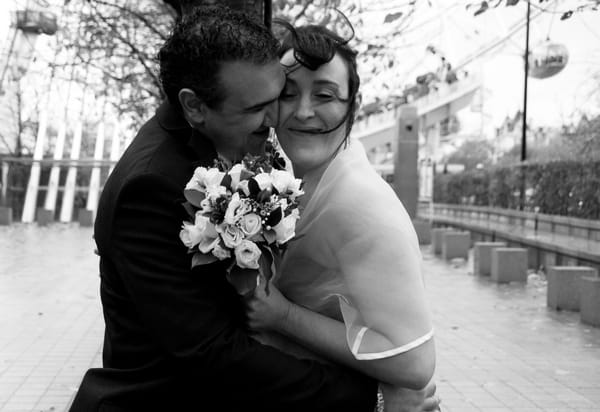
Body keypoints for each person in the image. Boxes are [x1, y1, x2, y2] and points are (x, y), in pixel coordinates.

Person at [69, 6, 379, 411]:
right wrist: (365, 396)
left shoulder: (216, 141)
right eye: (254, 109)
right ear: (194, 106)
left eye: (276, 97)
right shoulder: (151, 186)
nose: (274, 120)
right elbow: (213, 353)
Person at [245, 21, 438, 411]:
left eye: (325, 95)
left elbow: (415, 363)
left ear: (354, 104)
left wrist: (282, 316)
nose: (303, 112)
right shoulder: (284, 176)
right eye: (288, 93)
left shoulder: (359, 204)